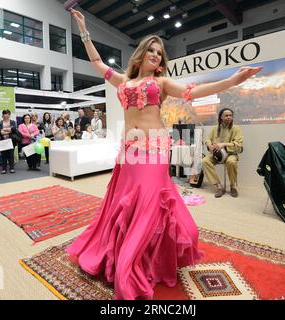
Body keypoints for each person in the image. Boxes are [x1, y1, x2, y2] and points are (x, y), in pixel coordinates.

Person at [66, 9, 262, 300]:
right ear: (142, 53)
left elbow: (194, 91)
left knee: (147, 204)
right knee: (127, 205)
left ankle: (129, 263)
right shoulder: (122, 81)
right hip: (129, 151)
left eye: (160, 53)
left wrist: (232, 81)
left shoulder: (161, 84)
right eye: (152, 51)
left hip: (155, 148)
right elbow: (96, 62)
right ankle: (139, 255)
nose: (157, 55)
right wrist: (84, 30)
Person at [202, 108, 243, 198]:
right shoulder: (215, 128)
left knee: (231, 162)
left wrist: (223, 144)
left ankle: (233, 186)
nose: (229, 117)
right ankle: (219, 187)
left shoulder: (236, 129)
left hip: (231, 154)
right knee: (204, 161)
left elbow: (238, 144)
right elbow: (208, 139)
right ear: (221, 117)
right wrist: (210, 146)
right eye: (226, 115)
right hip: (217, 155)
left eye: (230, 116)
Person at [0, 109, 17, 174]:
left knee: (11, 155)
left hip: (11, 140)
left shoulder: (13, 122)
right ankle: (4, 169)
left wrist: (4, 129)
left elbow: (13, 130)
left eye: (7, 114)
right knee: (3, 155)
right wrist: (9, 130)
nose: (6, 115)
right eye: (5, 114)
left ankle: (12, 168)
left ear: (9, 115)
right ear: (2, 115)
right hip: (3, 141)